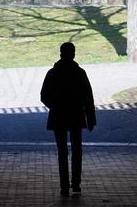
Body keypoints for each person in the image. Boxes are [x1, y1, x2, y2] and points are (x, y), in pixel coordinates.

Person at [40, 42, 96, 196]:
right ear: (73, 54)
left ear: (60, 54)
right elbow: (88, 97)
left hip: (58, 115)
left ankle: (64, 185)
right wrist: (90, 117)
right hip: (76, 115)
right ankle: (75, 184)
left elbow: (44, 95)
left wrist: (55, 106)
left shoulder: (52, 73)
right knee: (77, 150)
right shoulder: (79, 73)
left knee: (62, 151)